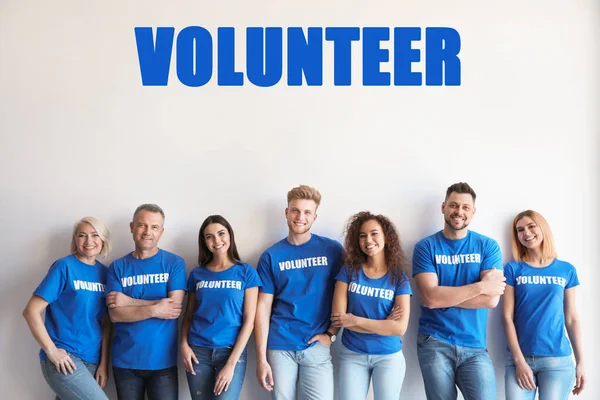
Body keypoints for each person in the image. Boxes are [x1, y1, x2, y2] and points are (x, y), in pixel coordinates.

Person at [412, 182, 505, 400]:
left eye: (465, 207)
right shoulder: (426, 247)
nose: (459, 212)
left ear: (473, 212)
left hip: (474, 345)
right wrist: (481, 287)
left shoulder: (487, 246)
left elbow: (491, 301)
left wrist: (443, 296)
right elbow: (430, 298)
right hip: (434, 341)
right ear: (443, 207)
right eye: (453, 205)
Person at [254, 184, 344, 400]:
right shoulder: (271, 256)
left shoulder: (332, 250)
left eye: (306, 212)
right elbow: (263, 307)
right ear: (287, 212)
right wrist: (261, 358)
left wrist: (331, 335)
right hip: (280, 345)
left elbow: (345, 295)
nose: (300, 217)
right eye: (295, 210)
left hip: (317, 345)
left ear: (314, 217)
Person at [23, 216, 112, 400]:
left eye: (95, 235)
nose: (89, 241)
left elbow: (105, 324)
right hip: (65, 357)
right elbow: (31, 311)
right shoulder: (64, 267)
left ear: (103, 239)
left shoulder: (106, 274)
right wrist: (51, 351)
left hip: (92, 360)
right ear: (75, 240)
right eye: (82, 235)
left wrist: (103, 363)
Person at [105, 203, 186, 400]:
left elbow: (173, 308)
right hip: (125, 362)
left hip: (163, 362)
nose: (147, 232)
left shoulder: (174, 263)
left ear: (161, 231)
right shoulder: (117, 267)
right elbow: (115, 315)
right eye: (142, 225)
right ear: (132, 227)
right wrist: (156, 308)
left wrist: (128, 301)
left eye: (154, 227)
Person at [502, 210, 586, 399]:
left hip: (557, 360)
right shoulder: (513, 269)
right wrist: (519, 361)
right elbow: (506, 318)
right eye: (520, 229)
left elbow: (571, 318)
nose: (526, 233)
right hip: (520, 359)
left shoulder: (566, 270)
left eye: (532, 226)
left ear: (543, 229)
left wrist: (580, 362)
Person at [331, 212, 412, 400]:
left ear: (385, 237)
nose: (368, 240)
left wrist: (355, 320)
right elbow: (339, 317)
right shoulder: (349, 271)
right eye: (362, 235)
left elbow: (399, 327)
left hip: (388, 356)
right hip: (353, 354)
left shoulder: (398, 278)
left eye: (374, 233)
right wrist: (383, 325)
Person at [181, 215, 261, 399]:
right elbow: (188, 316)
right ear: (204, 242)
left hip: (231, 351)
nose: (216, 240)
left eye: (221, 233)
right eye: (209, 236)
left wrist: (231, 364)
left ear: (230, 236)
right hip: (197, 352)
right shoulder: (197, 274)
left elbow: (249, 321)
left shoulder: (246, 272)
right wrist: (184, 345)